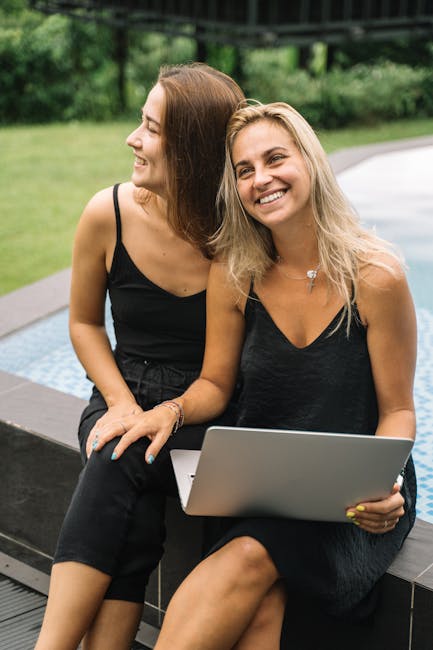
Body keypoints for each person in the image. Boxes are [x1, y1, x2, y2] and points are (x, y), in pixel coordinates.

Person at [97, 101, 418, 649]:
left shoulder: (376, 278)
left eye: (275, 159)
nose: (261, 179)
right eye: (244, 171)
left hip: (349, 501)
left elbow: (398, 411)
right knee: (262, 606)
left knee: (249, 559)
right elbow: (216, 386)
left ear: (310, 161)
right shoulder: (234, 271)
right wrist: (168, 412)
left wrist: (382, 485)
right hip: (265, 490)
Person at [34, 63, 246, 650]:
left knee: (121, 466)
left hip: (199, 413)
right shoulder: (108, 213)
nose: (133, 138)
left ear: (192, 150)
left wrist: (166, 412)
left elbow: (217, 381)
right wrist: (123, 402)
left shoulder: (235, 241)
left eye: (150, 129)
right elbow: (82, 324)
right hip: (116, 394)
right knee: (118, 445)